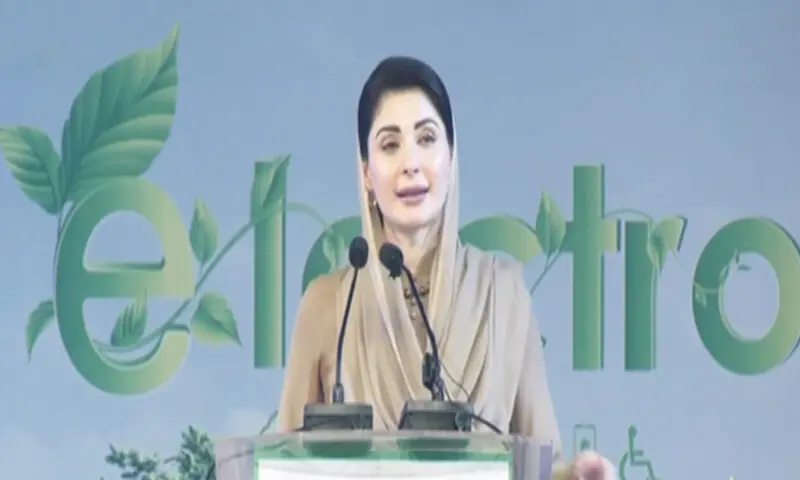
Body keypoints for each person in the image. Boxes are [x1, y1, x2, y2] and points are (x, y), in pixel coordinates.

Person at [276, 56, 615, 480]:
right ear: (366, 174)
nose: (411, 163)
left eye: (426, 138)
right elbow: (280, 464)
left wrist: (578, 476)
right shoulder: (329, 305)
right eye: (390, 144)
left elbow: (541, 465)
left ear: (451, 159)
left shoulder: (503, 295)